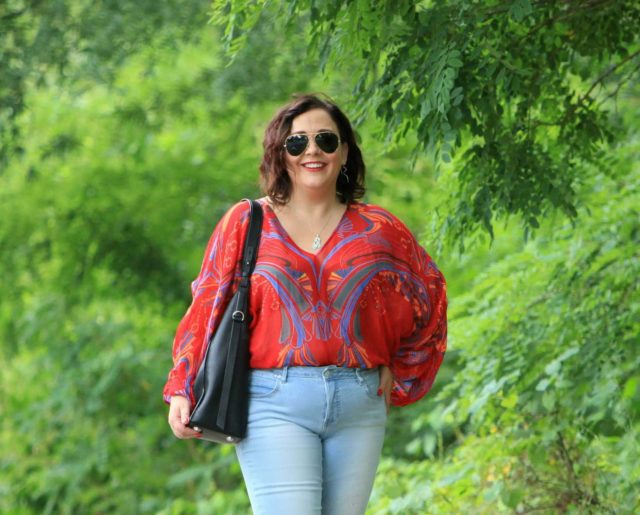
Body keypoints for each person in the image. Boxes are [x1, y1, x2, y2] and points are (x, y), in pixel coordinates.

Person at [164, 93, 447, 514]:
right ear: (281, 153)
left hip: (359, 404)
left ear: (345, 151)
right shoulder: (246, 223)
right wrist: (182, 387)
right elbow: (207, 304)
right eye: (297, 142)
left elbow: (428, 296)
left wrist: (400, 365)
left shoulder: (379, 229)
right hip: (274, 401)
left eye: (326, 140)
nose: (312, 150)